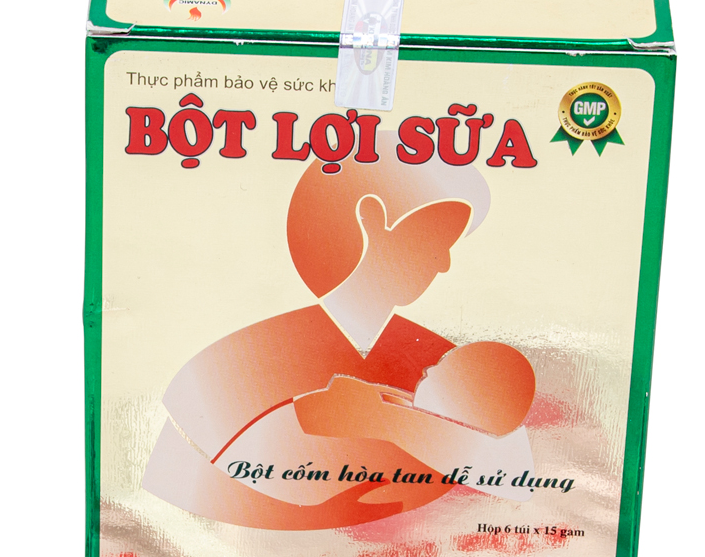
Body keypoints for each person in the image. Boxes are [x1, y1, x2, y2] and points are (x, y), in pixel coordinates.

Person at [141, 154, 536, 531]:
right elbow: (171, 482)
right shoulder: (239, 357)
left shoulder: (447, 362)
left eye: (449, 244)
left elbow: (516, 474)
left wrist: (391, 424)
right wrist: (309, 518)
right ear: (372, 220)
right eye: (432, 237)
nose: (444, 263)